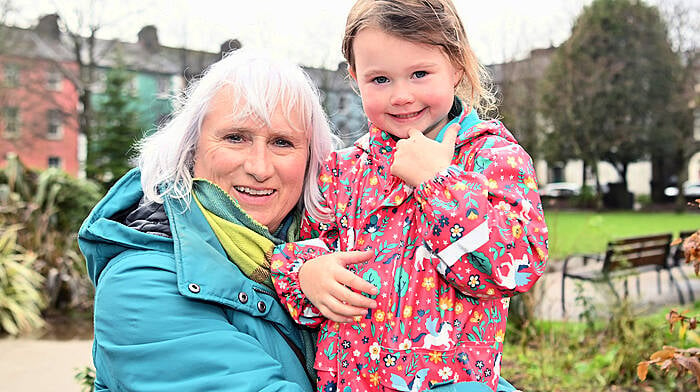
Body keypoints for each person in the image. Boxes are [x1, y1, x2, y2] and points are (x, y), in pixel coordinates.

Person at [271, 1, 548, 391]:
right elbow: (307, 246)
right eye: (379, 80)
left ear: (456, 66)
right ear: (355, 78)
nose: (401, 95)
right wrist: (306, 274)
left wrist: (438, 182)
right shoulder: (343, 169)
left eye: (419, 73)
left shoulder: (491, 158)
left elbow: (512, 268)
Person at [78, 49, 338, 391]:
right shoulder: (140, 287)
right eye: (235, 137)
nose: (259, 167)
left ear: (311, 160)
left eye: (282, 142)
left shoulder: (329, 250)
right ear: (191, 146)